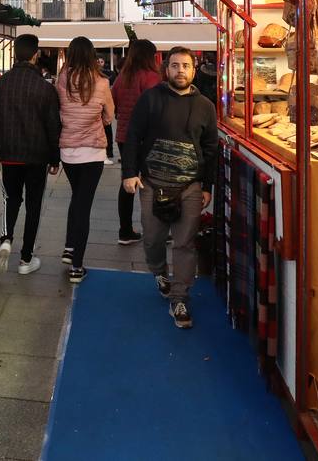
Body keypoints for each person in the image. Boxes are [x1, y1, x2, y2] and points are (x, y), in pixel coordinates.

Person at [121, 46, 219, 329]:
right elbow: (133, 135)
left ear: (193, 69)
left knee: (184, 243)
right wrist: (130, 173)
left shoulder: (205, 107)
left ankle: (180, 298)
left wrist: (207, 185)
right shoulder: (150, 99)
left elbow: (210, 148)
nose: (180, 71)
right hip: (152, 182)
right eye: (175, 66)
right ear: (166, 69)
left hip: (189, 185)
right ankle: (159, 272)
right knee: (152, 239)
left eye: (186, 66)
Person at [0, 33, 61, 275]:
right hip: (36, 156)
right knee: (34, 204)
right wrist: (54, 158)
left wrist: (0, 148)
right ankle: (26, 259)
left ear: (14, 53)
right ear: (35, 55)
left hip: (9, 155)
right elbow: (53, 126)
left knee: (11, 198)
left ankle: (7, 238)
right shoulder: (44, 88)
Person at [54, 36, 114, 285]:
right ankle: (77, 266)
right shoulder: (102, 82)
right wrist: (99, 121)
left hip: (68, 150)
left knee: (77, 197)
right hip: (92, 151)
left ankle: (69, 247)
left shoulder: (61, 80)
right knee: (83, 205)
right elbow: (110, 115)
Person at [109, 39, 160, 245]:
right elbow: (157, 108)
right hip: (147, 137)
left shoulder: (122, 76)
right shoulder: (152, 77)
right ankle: (156, 230)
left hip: (123, 137)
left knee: (127, 182)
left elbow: (114, 103)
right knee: (153, 182)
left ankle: (125, 230)